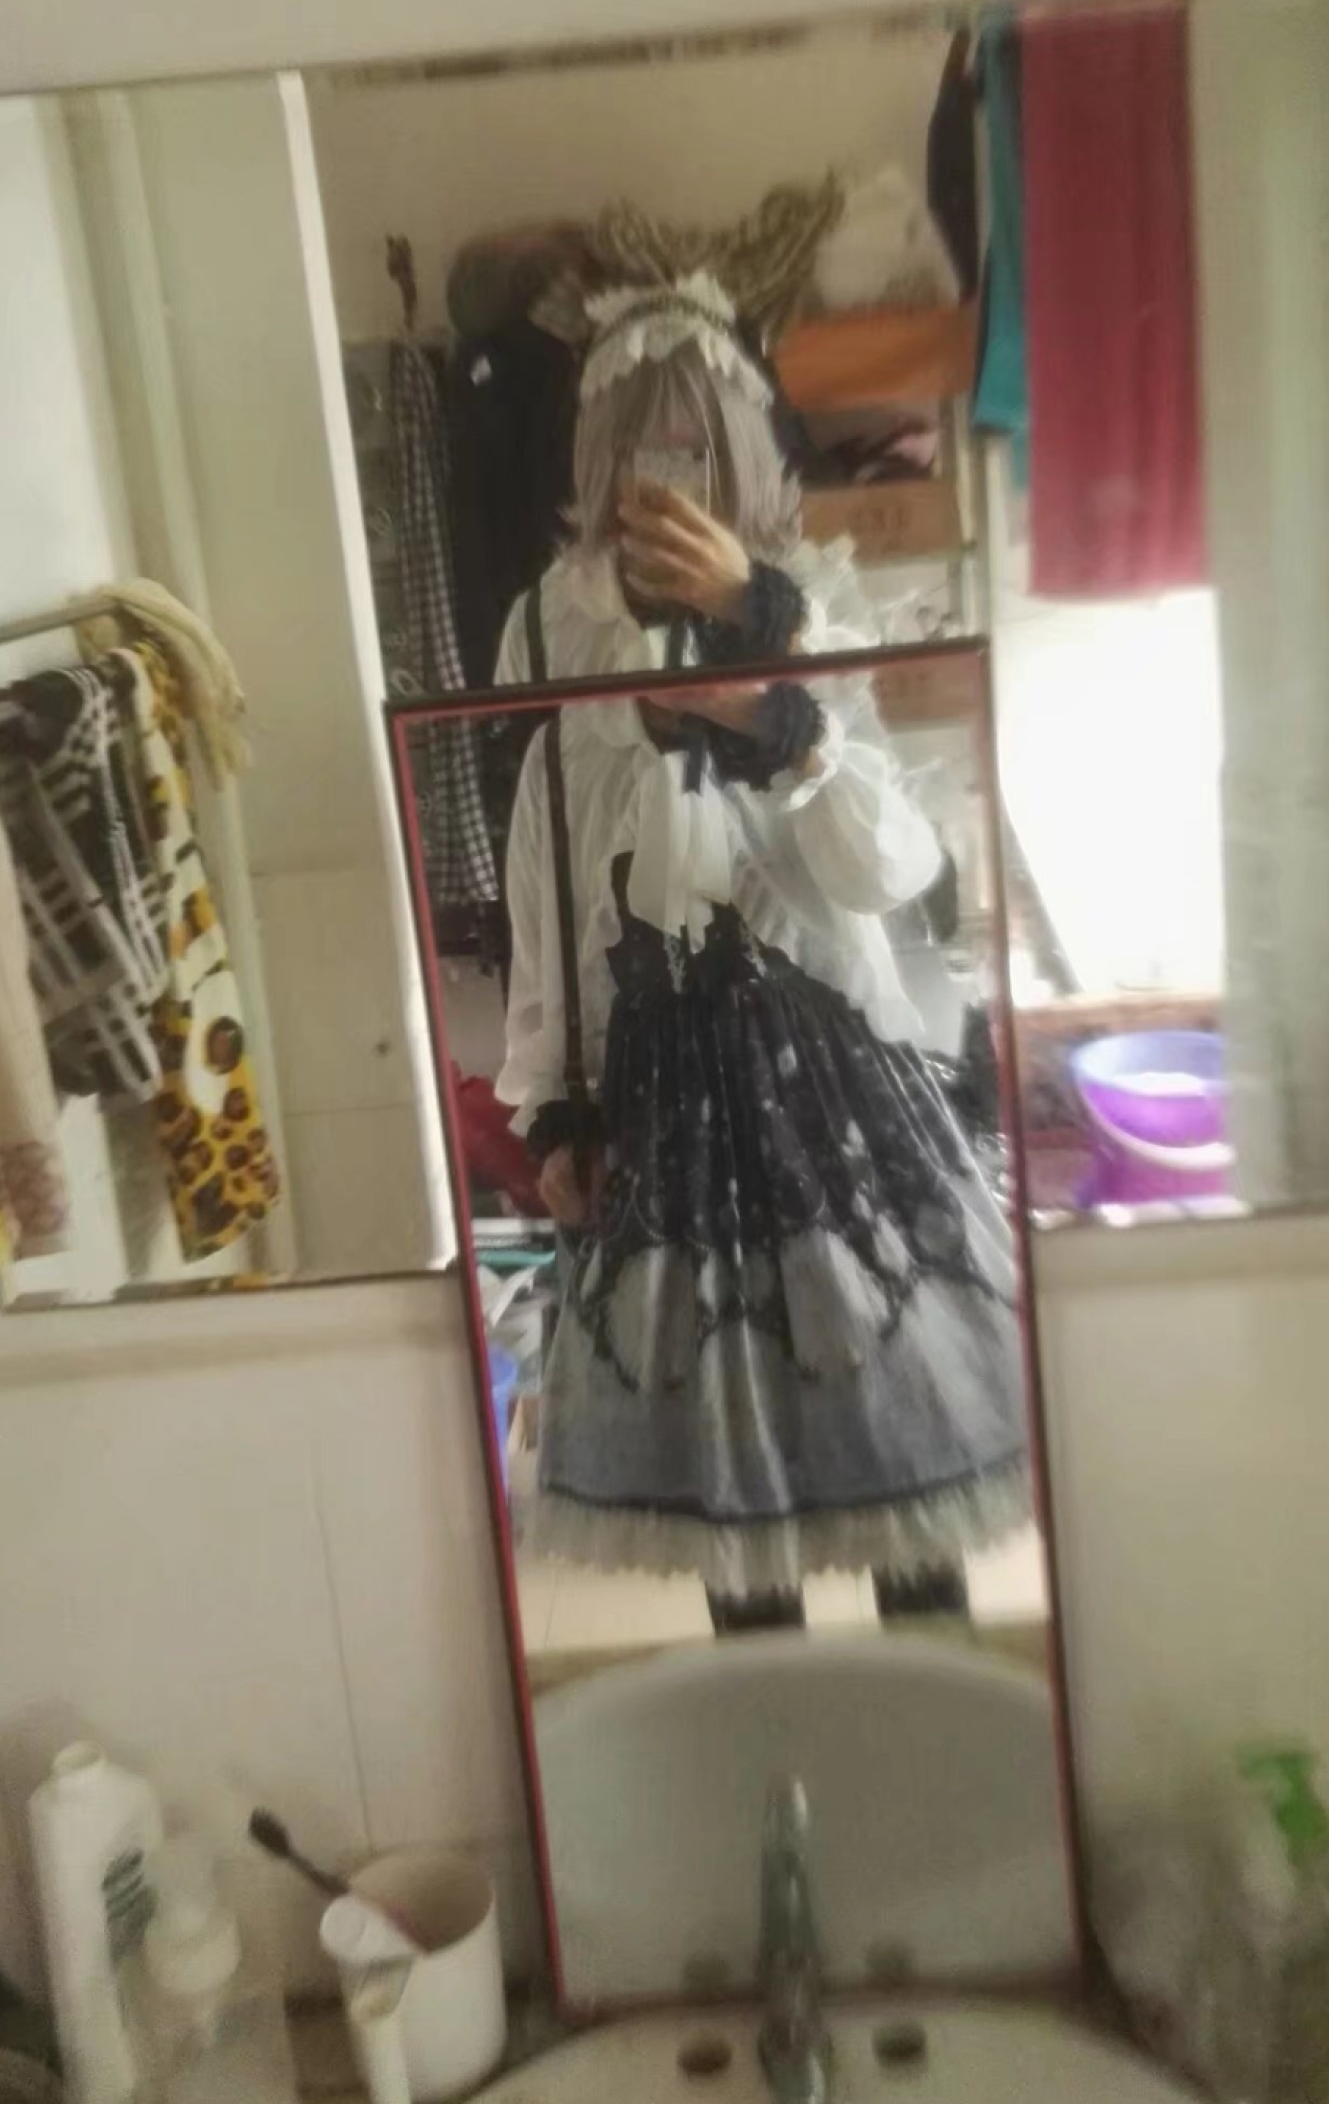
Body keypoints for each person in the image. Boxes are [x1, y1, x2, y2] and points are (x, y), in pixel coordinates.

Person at [494, 274, 1028, 1628]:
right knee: (731, 1507)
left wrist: (775, 710)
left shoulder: (814, 625)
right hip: (661, 1119)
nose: (667, 481)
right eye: (637, 453)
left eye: (698, 451)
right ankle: (769, 1713)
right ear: (595, 469)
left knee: (899, 1448)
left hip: (836, 1104)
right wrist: (559, 1105)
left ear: (747, 461)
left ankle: (937, 1709)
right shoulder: (561, 656)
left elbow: (889, 870)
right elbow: (550, 904)